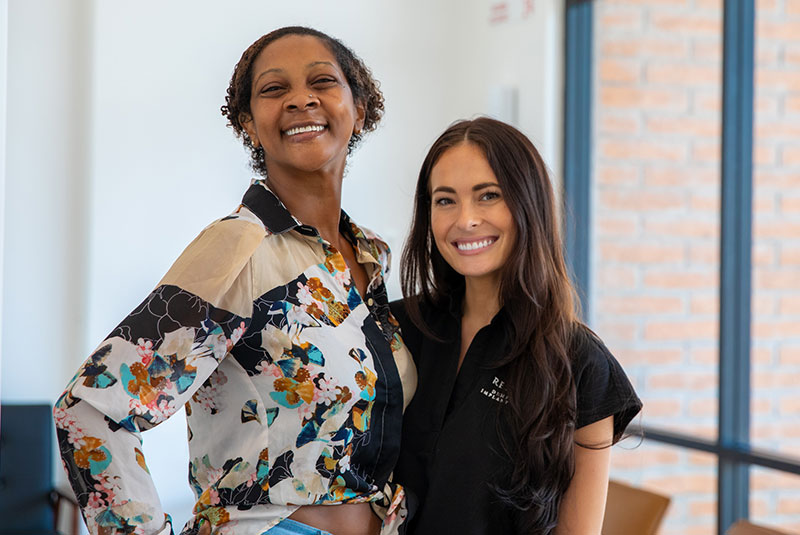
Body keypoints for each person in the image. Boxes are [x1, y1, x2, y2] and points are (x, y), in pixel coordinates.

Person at [54, 26, 416, 535]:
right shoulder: (242, 245)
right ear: (249, 124)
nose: (301, 99)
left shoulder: (369, 255)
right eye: (274, 89)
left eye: (322, 81)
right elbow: (91, 408)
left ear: (359, 109)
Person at [390, 117, 642, 535]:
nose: (466, 219)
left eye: (488, 196)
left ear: (528, 203)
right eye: (445, 200)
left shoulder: (580, 363)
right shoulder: (392, 328)